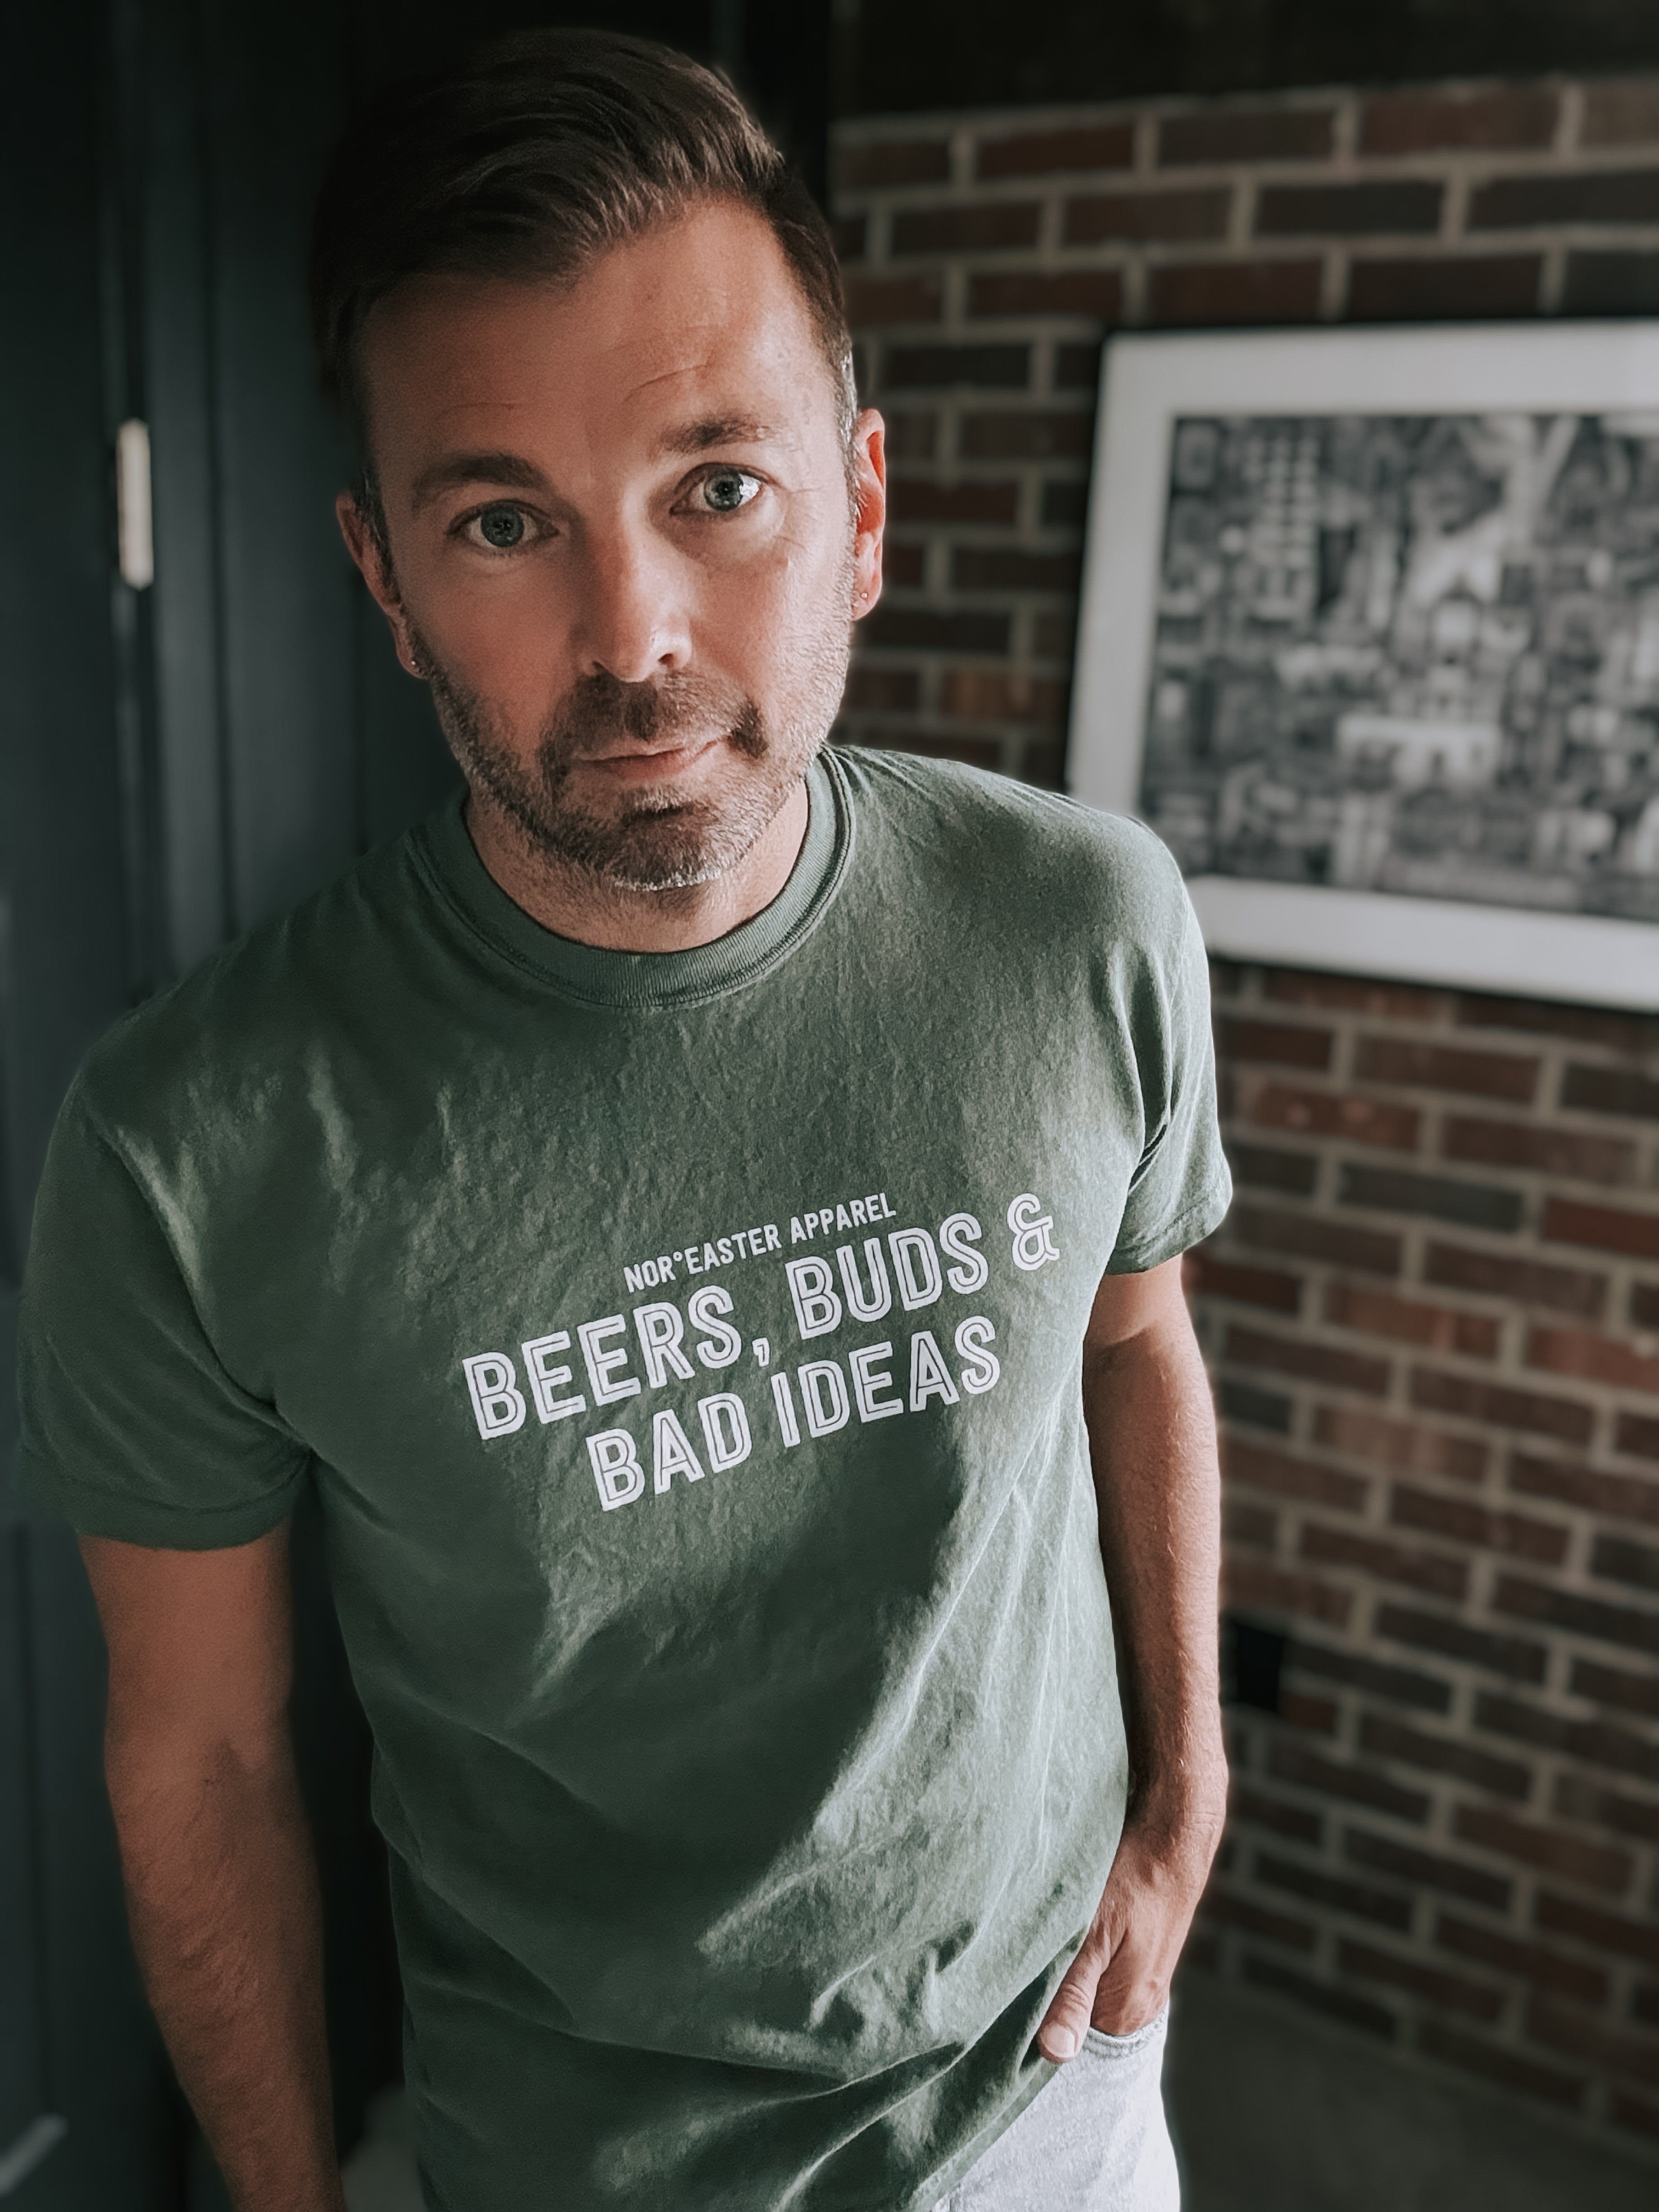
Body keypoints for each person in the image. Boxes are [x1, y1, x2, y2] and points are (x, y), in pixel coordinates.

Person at [17, 30, 1230, 2212]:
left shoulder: (1084, 927)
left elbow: (1133, 1342)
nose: (634, 633)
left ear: (857, 506)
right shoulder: (186, 1149)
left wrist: (1183, 1800)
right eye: (504, 522)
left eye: (715, 487)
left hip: (1059, 2081)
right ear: (384, 578)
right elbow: (197, 1759)